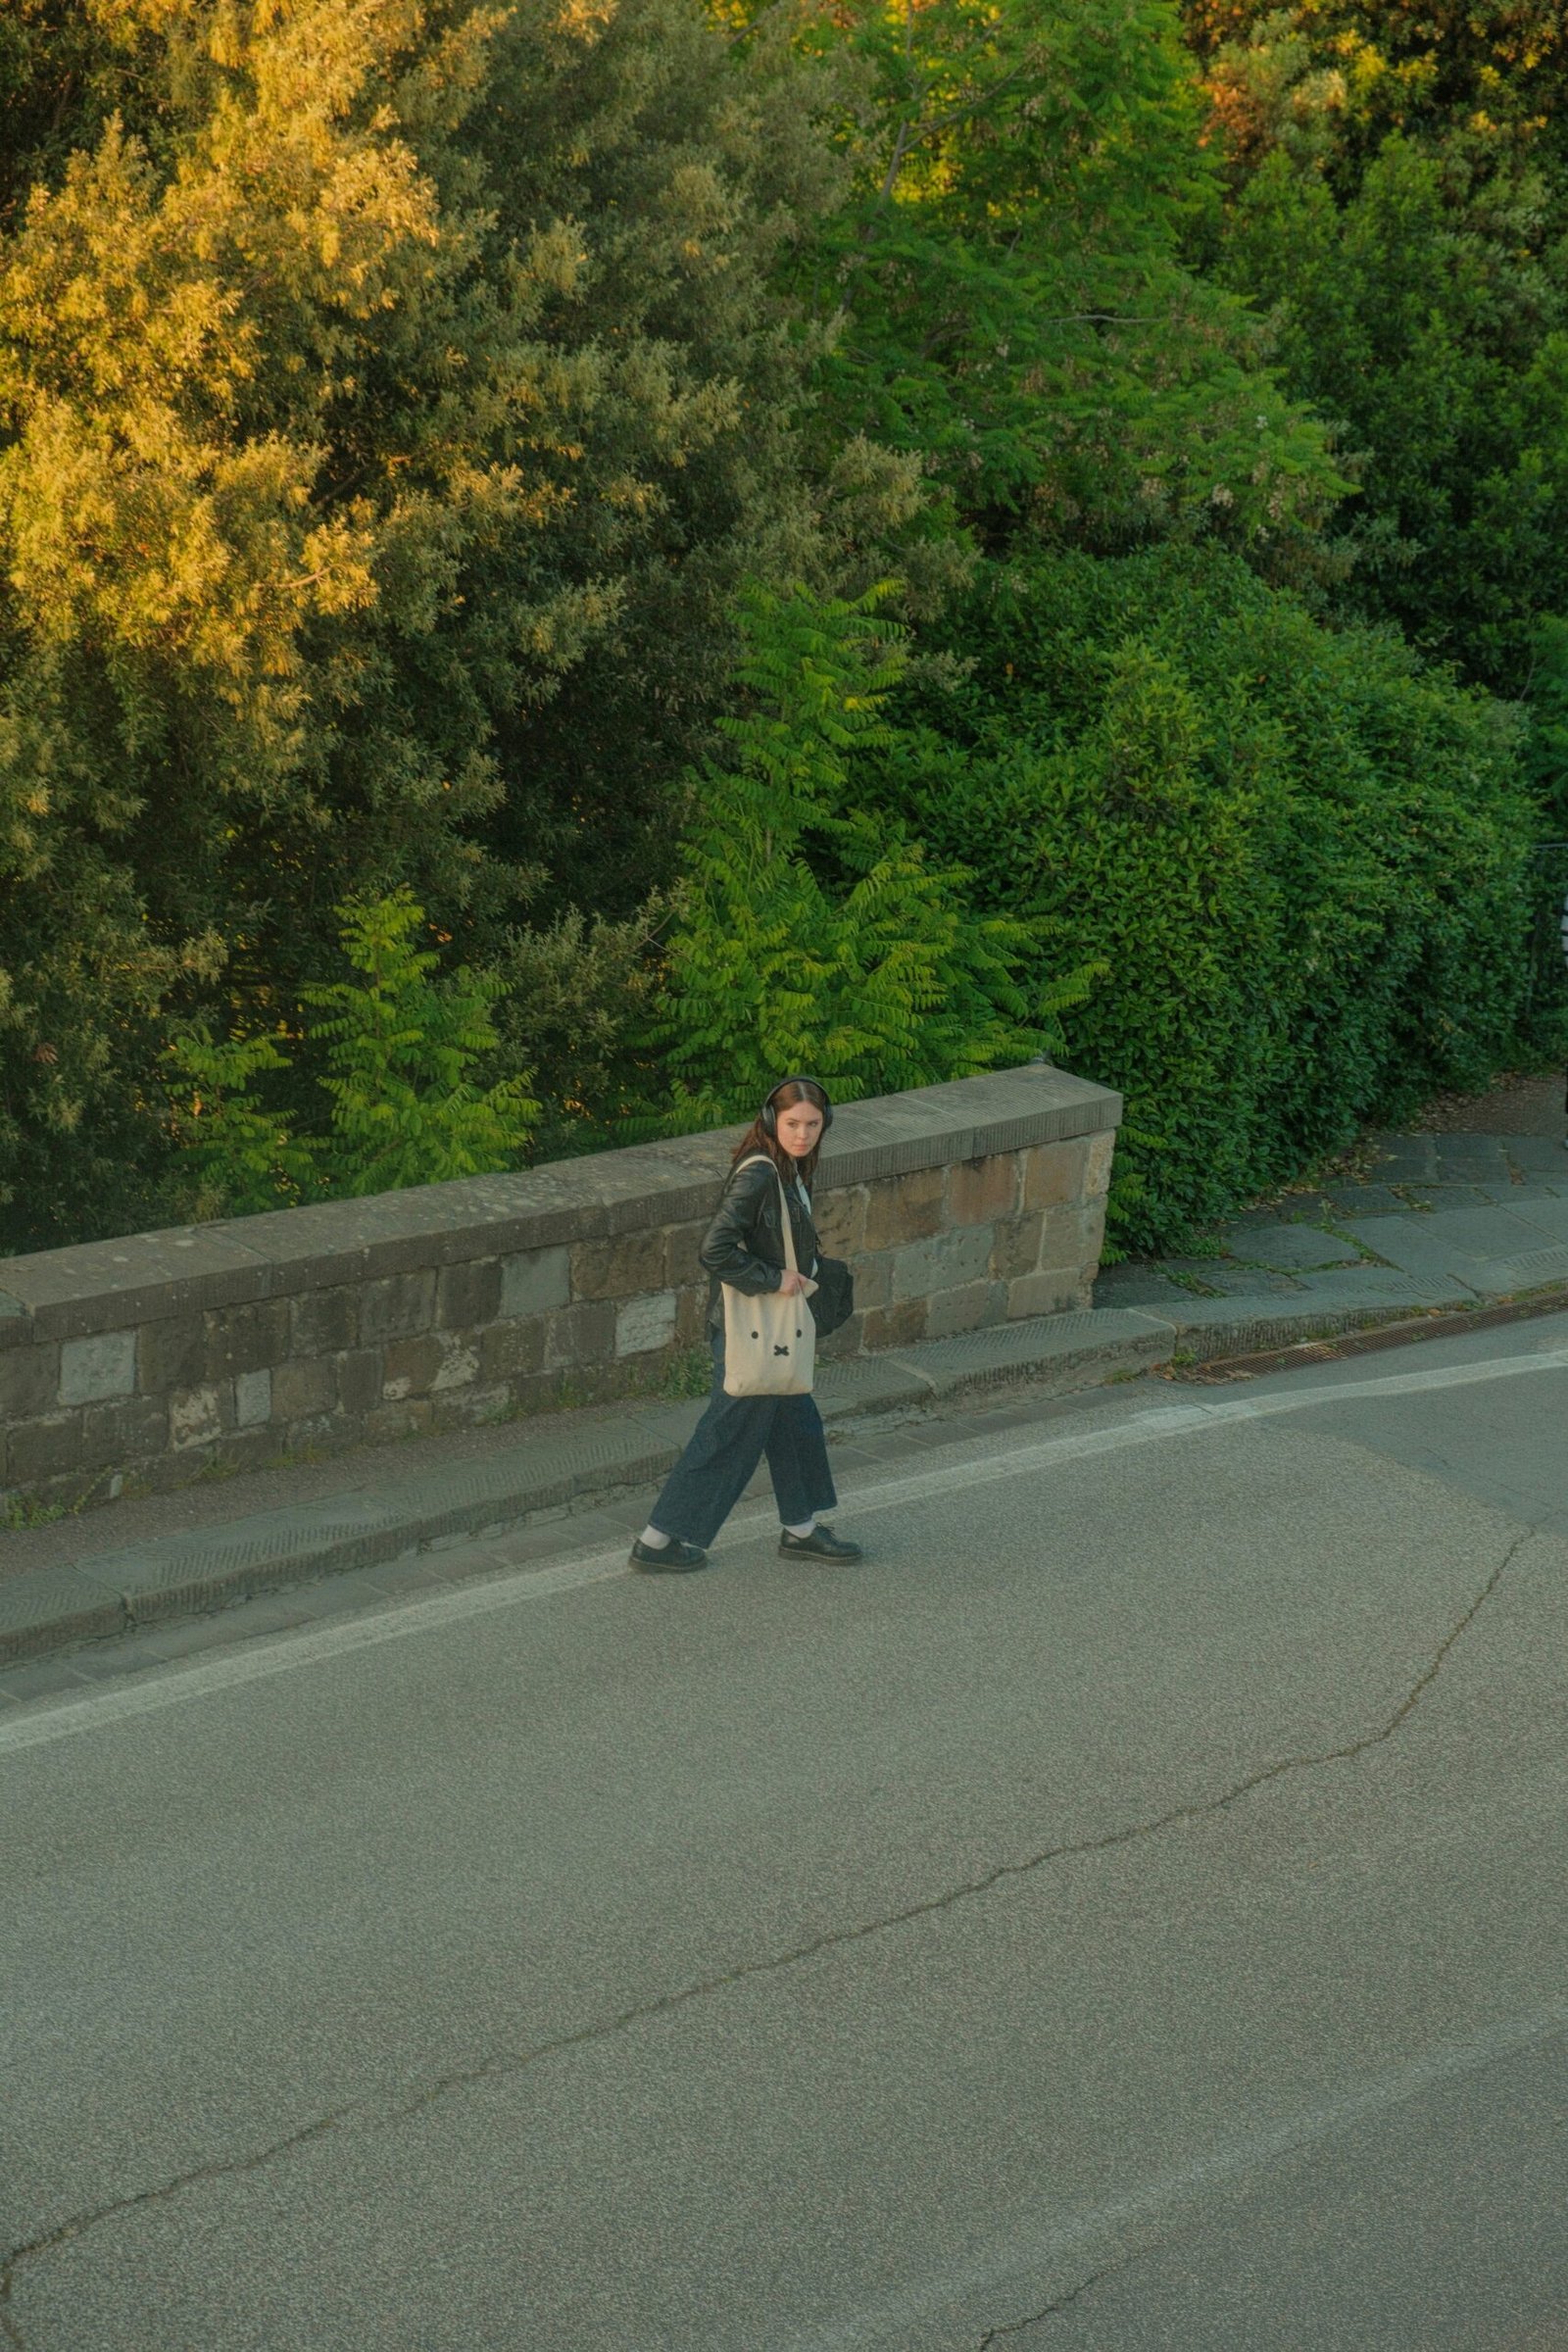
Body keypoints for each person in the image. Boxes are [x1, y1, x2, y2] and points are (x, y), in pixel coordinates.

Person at [630, 1077, 862, 1572]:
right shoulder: (759, 1175)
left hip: (773, 1330)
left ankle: (799, 1530)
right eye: (792, 1123)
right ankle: (657, 1541)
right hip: (752, 1329)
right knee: (728, 1432)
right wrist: (774, 1277)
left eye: (813, 1124)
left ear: (825, 1125)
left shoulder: (789, 1169)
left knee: (796, 1422)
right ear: (770, 1119)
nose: (802, 1134)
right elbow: (714, 1250)